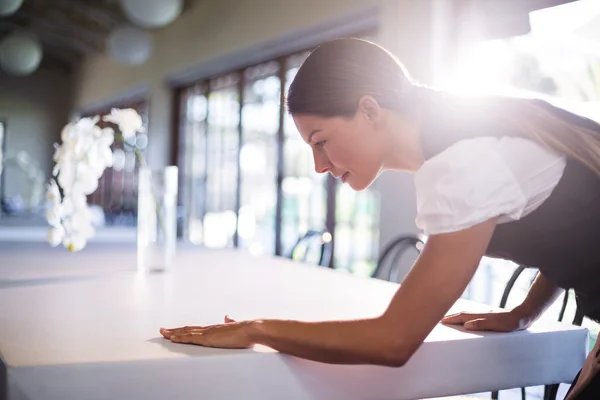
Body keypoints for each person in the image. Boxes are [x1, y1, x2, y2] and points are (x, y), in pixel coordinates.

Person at [160, 38, 600, 398]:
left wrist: (257, 329)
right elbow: (571, 227)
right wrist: (523, 312)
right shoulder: (466, 140)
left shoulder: (460, 164)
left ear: (370, 110)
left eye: (321, 140)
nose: (318, 165)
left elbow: (393, 341)